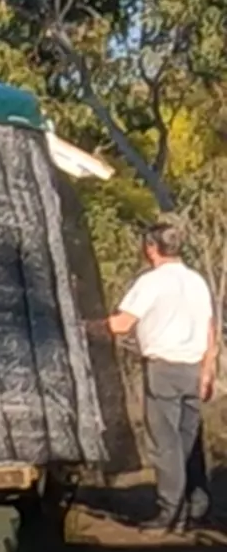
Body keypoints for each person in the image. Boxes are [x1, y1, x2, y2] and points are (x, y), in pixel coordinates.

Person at [96, 221, 218, 532]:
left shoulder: (151, 282)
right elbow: (209, 330)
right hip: (192, 368)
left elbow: (122, 324)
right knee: (189, 442)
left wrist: (85, 327)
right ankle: (196, 507)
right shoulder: (196, 281)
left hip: (163, 368)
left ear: (151, 248)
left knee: (165, 444)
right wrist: (208, 370)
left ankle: (169, 511)